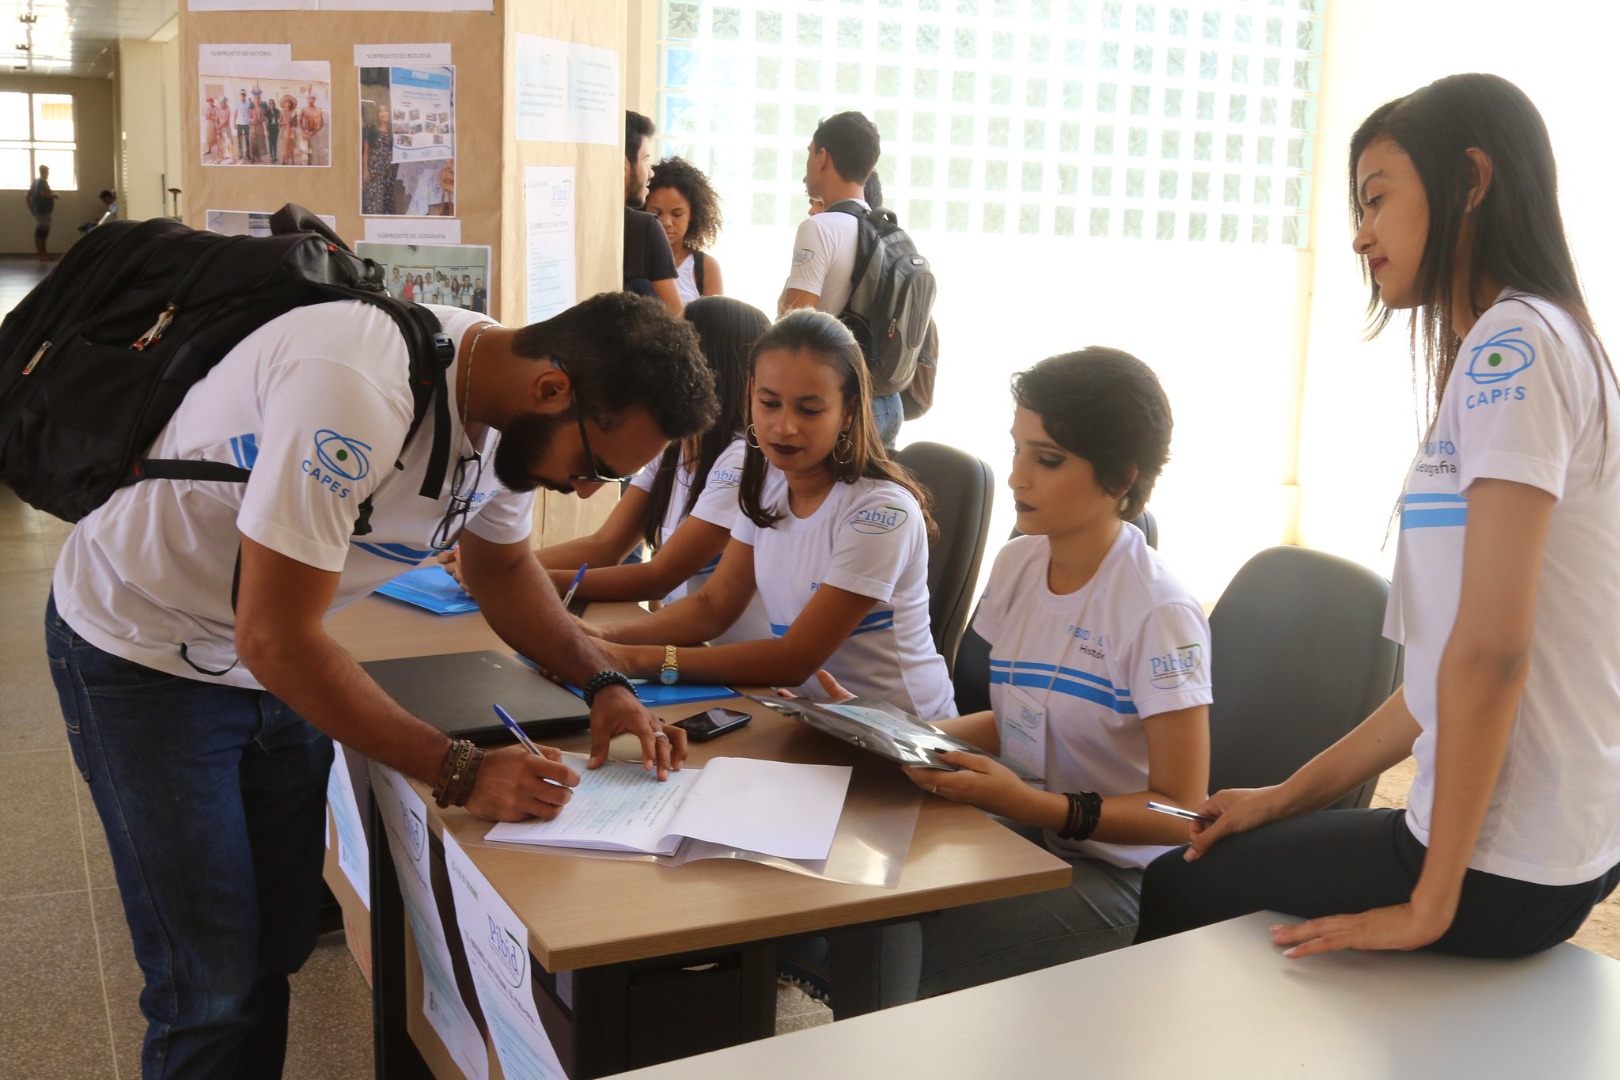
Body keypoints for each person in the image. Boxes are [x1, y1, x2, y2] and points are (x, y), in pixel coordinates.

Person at [45, 291, 719, 1078]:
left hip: (265, 661)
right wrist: (460, 770)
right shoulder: (357, 385)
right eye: (595, 467)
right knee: (207, 987)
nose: (586, 493)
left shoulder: (501, 409)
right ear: (551, 390)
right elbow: (276, 636)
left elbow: (500, 569)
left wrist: (602, 680)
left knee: (272, 947)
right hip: (145, 652)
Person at [1135, 73, 1620, 961]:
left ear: (1470, 181)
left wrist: (1429, 903)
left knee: (1179, 885)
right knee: (1225, 846)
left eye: (1376, 198)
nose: (1360, 234)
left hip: (1500, 865)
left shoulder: (1511, 349)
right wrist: (1282, 796)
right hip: (1534, 851)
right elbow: (1438, 682)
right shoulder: (1534, 341)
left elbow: (1493, 653)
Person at [788, 348, 1211, 1016]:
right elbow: (1020, 718)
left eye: (1047, 460)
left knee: (901, 966)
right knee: (857, 885)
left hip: (1119, 877)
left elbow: (1182, 813)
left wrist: (1033, 806)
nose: (1017, 477)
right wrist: (895, 732)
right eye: (1017, 449)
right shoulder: (1018, 563)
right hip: (1028, 832)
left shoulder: (1158, 612)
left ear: (1120, 477)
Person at [588, 309, 954, 719]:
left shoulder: (880, 513)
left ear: (848, 410)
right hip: (819, 721)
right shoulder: (767, 481)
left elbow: (793, 659)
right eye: (769, 403)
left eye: (809, 410)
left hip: (908, 739)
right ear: (750, 394)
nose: (783, 427)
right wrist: (600, 637)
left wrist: (630, 659)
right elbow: (713, 605)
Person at [532, 297, 771, 643]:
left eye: (679, 343)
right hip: (685, 646)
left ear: (710, 365)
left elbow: (659, 577)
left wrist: (522, 576)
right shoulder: (676, 444)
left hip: (727, 663)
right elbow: (605, 545)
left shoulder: (739, 460)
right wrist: (505, 564)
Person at [777, 111, 904, 447]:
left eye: (809, 153)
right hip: (888, 400)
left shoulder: (818, 228)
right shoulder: (887, 230)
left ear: (822, 157)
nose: (807, 163)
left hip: (842, 404)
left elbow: (795, 324)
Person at [623, 110, 682, 315]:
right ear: (624, 166)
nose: (651, 172)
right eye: (645, 159)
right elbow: (676, 324)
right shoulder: (644, 228)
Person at [646, 156, 725, 304]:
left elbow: (716, 324)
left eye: (677, 214)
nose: (667, 222)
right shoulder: (634, 262)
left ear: (692, 214)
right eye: (656, 214)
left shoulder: (706, 268)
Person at [26, 164, 58, 260]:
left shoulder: (36, 181)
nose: (48, 174)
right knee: (41, 234)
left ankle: (44, 254)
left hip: (41, 211)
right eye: (47, 172)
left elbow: (27, 195)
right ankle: (42, 255)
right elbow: (43, 194)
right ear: (43, 172)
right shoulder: (41, 182)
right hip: (42, 211)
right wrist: (54, 195)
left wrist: (31, 209)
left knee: (43, 233)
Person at [298, 92, 325, 166]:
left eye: (312, 99)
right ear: (307, 100)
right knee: (304, 152)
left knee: (315, 152)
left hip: (314, 133)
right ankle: (304, 166)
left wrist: (314, 131)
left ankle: (314, 167)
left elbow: (321, 123)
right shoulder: (304, 109)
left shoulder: (318, 110)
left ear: (314, 100)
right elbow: (300, 121)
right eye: (309, 99)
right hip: (305, 132)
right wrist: (303, 131)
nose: (310, 100)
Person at [233, 89, 253, 162]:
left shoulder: (248, 103)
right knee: (239, 140)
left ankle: (248, 154)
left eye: (244, 94)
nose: (243, 96)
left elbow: (249, 112)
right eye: (242, 94)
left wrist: (250, 121)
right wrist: (234, 122)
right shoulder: (237, 103)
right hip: (239, 123)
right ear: (240, 95)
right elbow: (235, 112)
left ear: (245, 95)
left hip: (246, 123)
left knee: (247, 140)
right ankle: (240, 155)